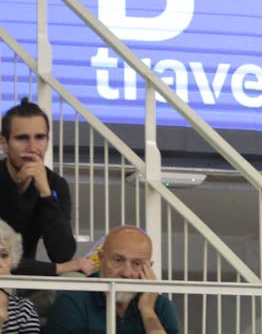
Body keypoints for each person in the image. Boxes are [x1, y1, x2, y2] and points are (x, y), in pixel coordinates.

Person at [44, 224, 178, 334]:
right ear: (101, 258)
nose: (126, 273)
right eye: (118, 260)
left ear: (149, 267)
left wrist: (148, 311)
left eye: (137, 264)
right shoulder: (73, 301)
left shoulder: (161, 307)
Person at [0, 100, 81, 279]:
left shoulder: (55, 184)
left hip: (26, 285)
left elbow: (62, 253)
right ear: (4, 143)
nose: (32, 148)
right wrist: (57, 269)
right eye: (22, 138)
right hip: (9, 274)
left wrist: (45, 193)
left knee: (75, 279)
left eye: (39, 138)